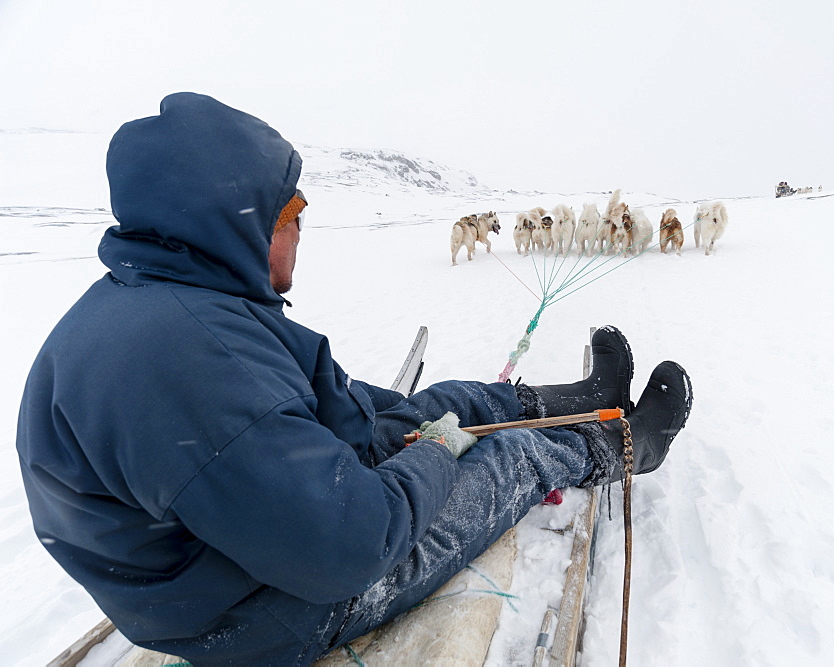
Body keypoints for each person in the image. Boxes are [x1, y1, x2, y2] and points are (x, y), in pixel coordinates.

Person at [16, 93, 692, 665]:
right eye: (290, 211)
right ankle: (619, 446)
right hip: (260, 607)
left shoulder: (172, 301)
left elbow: (310, 402)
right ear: (230, 220)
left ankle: (575, 402)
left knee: (449, 402)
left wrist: (423, 421)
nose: (304, 227)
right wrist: (434, 449)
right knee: (499, 458)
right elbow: (349, 544)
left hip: (234, 538)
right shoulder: (190, 362)